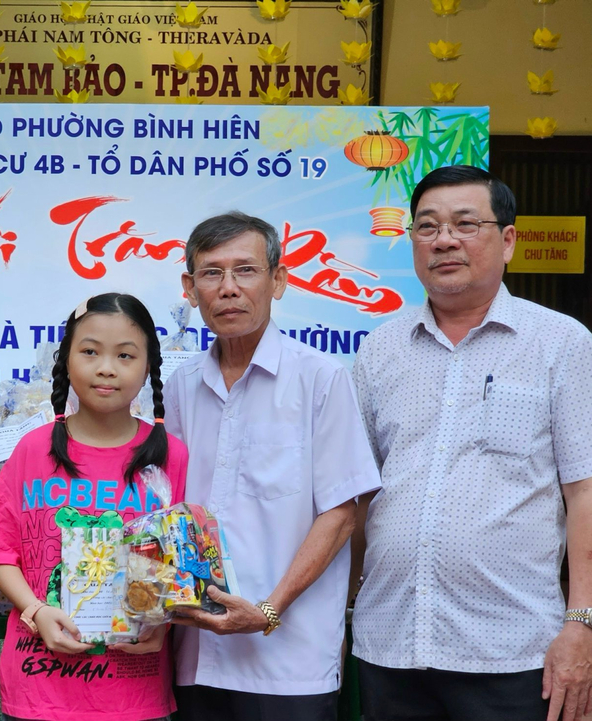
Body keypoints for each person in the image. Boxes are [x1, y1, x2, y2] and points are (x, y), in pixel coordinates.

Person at [351, 165, 592, 721]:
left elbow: (588, 493)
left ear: (507, 240)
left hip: (509, 651)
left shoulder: (559, 343)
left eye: (465, 223)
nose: (445, 240)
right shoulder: (380, 350)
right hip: (389, 642)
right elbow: (356, 495)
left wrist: (584, 624)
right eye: (427, 227)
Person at [162, 212, 382, 721]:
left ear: (278, 281)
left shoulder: (321, 379)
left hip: (289, 658)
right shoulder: (181, 386)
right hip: (195, 653)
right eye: (212, 273)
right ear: (189, 288)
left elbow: (342, 513)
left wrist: (268, 609)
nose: (229, 289)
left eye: (246, 271)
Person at [0, 292, 189, 721]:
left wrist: (163, 623)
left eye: (126, 355)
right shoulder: (33, 451)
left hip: (133, 690)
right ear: (66, 360)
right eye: (90, 351)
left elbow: (180, 563)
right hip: (40, 688)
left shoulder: (170, 456)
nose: (106, 367)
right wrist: (35, 611)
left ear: (148, 368)